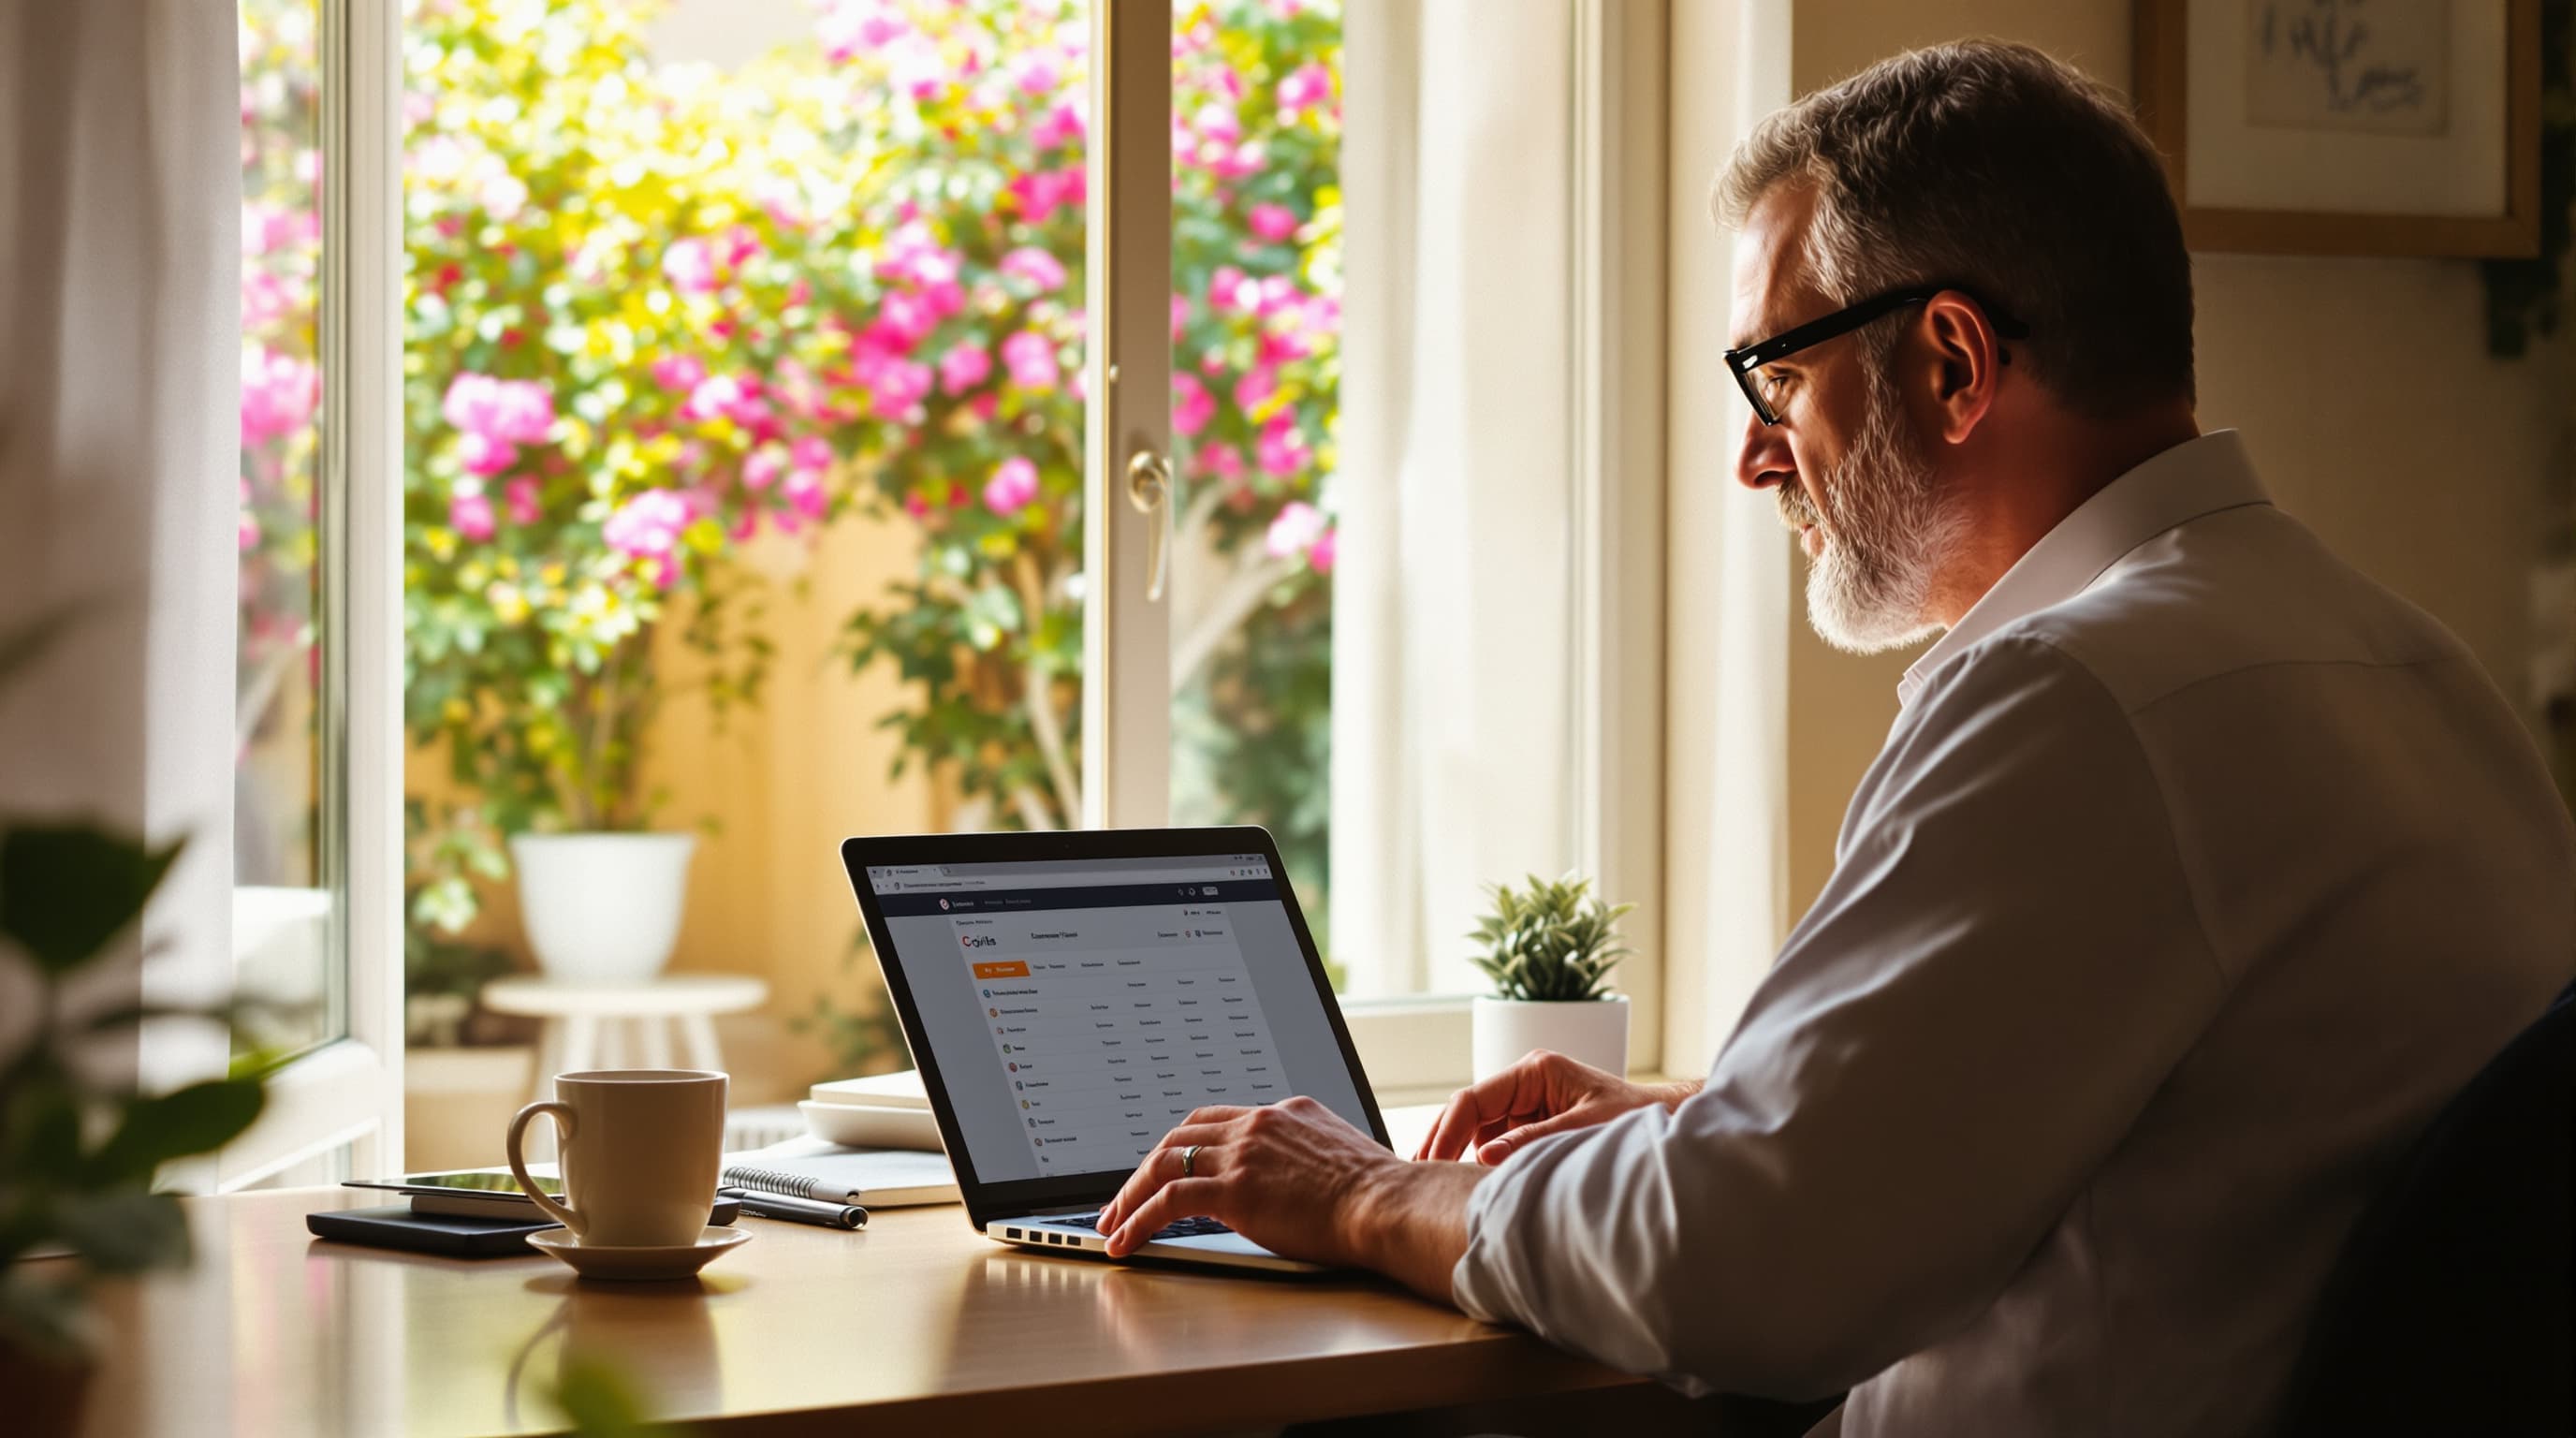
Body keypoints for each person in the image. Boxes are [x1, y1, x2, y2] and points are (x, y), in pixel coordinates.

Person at [1091, 38, 2576, 1436]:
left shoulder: (2080, 697)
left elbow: (1739, 1272)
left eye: (1779, 377)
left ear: (1950, 361)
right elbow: (2199, 1135)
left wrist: (1359, 1194)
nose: (1751, 457)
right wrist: (1718, 1119)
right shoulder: (2407, 667)